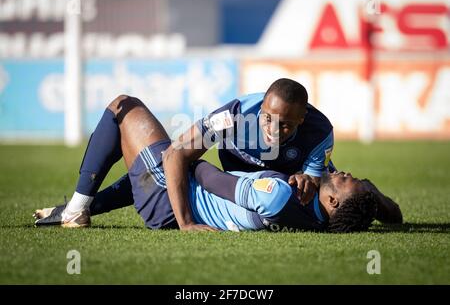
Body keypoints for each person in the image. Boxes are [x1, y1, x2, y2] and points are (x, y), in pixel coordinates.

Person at [34, 95, 402, 232]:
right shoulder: (237, 118)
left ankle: (76, 211)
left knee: (123, 107)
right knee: (168, 164)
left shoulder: (288, 180)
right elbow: (389, 214)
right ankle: (75, 208)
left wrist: (188, 223)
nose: (344, 173)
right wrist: (371, 198)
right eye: (269, 119)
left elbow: (180, 161)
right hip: (187, 193)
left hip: (169, 200)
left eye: (347, 181)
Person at [163, 78, 336, 231]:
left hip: (282, 185)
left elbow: (313, 186)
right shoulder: (235, 114)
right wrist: (186, 223)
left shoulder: (320, 132)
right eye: (268, 118)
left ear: (302, 118)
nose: (273, 130)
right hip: (241, 180)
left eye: (285, 125)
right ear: (262, 106)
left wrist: (309, 180)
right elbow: (175, 153)